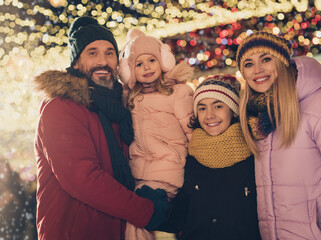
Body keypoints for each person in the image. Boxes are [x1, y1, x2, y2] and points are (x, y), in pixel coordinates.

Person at [33, 16, 168, 240]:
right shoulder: (61, 108)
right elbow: (84, 179)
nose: (103, 61)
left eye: (109, 53)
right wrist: (147, 212)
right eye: (92, 53)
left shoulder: (121, 109)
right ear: (76, 62)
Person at [236, 31, 321, 239]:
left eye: (266, 59)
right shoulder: (259, 118)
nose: (257, 70)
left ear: (282, 63)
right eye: (248, 64)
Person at [156, 74, 262, 240]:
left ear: (233, 111)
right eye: (202, 108)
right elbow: (178, 217)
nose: (209, 115)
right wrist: (150, 209)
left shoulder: (254, 155)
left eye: (218, 106)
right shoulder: (190, 157)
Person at [118, 29, 194, 240]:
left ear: (163, 61)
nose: (146, 67)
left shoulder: (177, 93)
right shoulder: (131, 98)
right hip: (139, 176)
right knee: (134, 223)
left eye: (151, 60)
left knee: (136, 223)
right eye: (138, 64)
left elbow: (192, 133)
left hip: (166, 174)